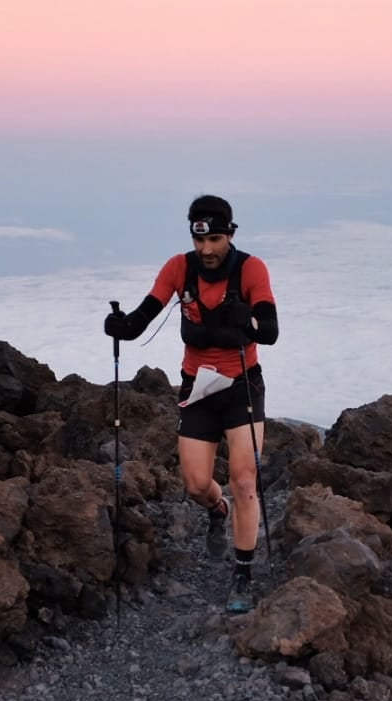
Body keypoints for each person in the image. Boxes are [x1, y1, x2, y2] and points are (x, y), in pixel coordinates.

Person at [104, 194, 279, 613]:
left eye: (215, 239)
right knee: (197, 485)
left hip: (242, 385)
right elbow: (142, 317)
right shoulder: (178, 269)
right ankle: (217, 510)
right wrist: (119, 326)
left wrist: (246, 321)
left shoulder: (251, 269)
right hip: (197, 388)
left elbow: (269, 330)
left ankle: (242, 572)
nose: (206, 250)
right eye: (200, 240)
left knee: (244, 479)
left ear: (229, 235)